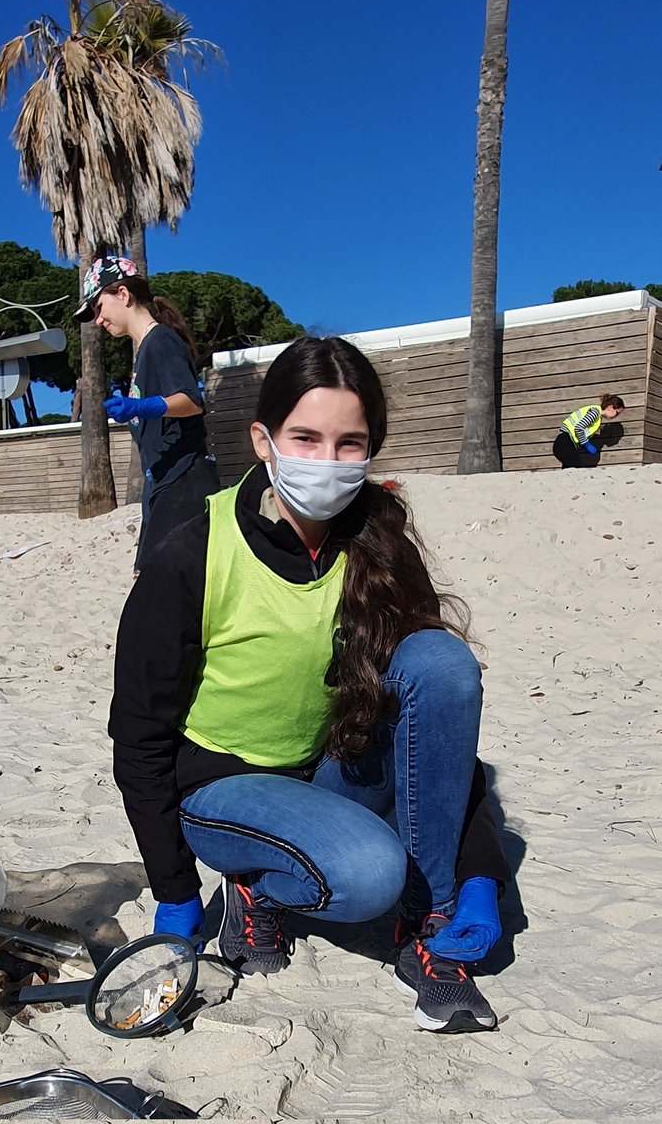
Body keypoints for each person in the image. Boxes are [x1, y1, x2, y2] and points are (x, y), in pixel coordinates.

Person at [108, 336, 510, 1035]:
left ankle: (436, 928)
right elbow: (138, 733)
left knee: (441, 661)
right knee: (369, 874)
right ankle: (253, 893)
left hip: (325, 772)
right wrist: (175, 893)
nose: (325, 462)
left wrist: (477, 873)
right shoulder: (193, 551)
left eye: (348, 443)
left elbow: (437, 728)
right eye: (304, 437)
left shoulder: (377, 539)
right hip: (222, 789)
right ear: (262, 440)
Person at [74, 256, 220, 572]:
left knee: (161, 588)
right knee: (152, 583)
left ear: (123, 295)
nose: (97, 320)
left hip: (185, 481)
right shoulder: (144, 352)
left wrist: (143, 406)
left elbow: (191, 401)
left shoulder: (161, 341)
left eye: (99, 307)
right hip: (164, 484)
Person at [553, 394, 625, 468]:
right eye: (617, 413)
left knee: (570, 469)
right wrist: (587, 444)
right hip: (565, 443)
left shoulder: (598, 418)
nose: (616, 416)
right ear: (610, 407)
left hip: (567, 444)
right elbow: (579, 428)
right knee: (576, 467)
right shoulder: (595, 413)